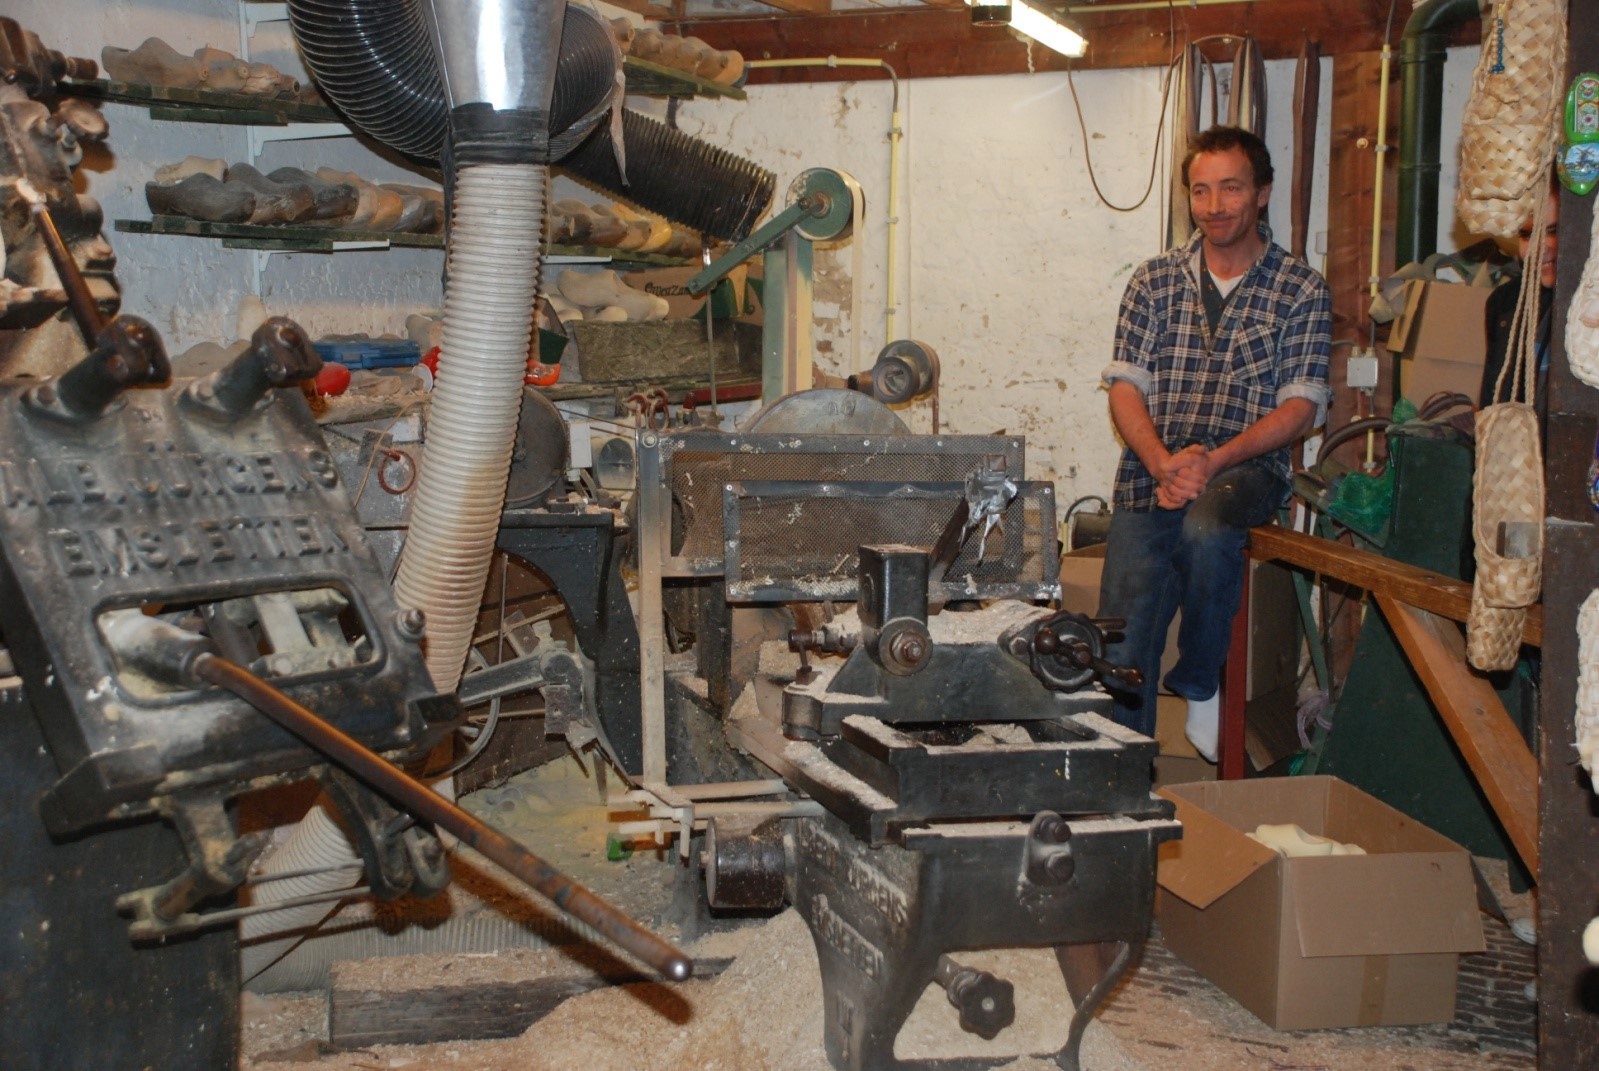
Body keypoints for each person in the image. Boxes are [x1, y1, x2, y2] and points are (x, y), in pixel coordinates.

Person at [1095, 125, 1332, 761]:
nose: (1215, 204)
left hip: (1247, 467)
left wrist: (1215, 460)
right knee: (1120, 641)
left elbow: (1301, 407)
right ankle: (1123, 782)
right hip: (1155, 467)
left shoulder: (1300, 289)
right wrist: (1162, 461)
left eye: (1230, 188)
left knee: (1206, 527)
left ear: (1262, 193)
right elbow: (1124, 387)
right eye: (1201, 191)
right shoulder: (1152, 281)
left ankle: (1199, 681)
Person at [1479, 190, 1557, 414]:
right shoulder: (1505, 303)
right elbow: (1493, 400)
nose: (1540, 248)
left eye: (1553, 231)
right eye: (1526, 235)